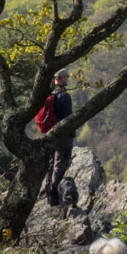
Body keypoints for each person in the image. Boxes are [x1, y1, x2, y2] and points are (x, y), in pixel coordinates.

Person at [45, 67, 74, 207]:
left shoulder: (50, 94)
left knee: (51, 164)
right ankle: (56, 196)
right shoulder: (64, 96)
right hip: (63, 137)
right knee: (60, 164)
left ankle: (49, 193)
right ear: (61, 77)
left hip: (50, 135)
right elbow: (68, 119)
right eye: (66, 77)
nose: (67, 79)